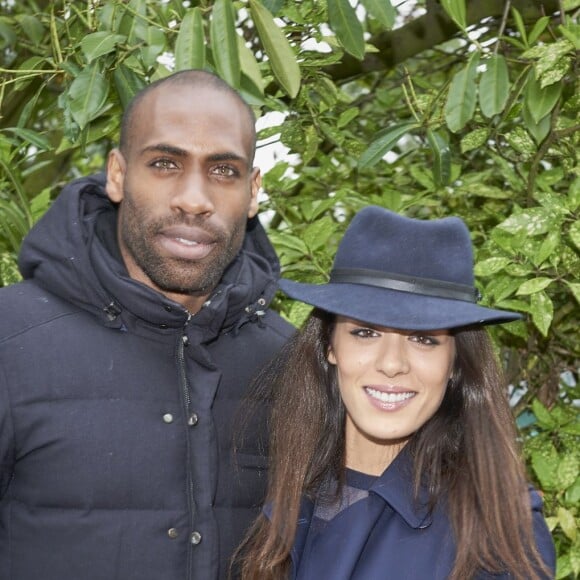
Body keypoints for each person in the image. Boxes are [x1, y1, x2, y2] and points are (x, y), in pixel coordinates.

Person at [0, 69, 294, 580]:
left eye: (223, 171)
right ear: (117, 174)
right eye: (164, 163)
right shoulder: (9, 340)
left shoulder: (289, 360)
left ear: (253, 191)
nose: (194, 199)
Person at [237, 206, 556, 579]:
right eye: (366, 332)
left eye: (423, 339)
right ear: (330, 345)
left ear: (454, 363)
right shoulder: (286, 487)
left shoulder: (501, 528)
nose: (392, 364)